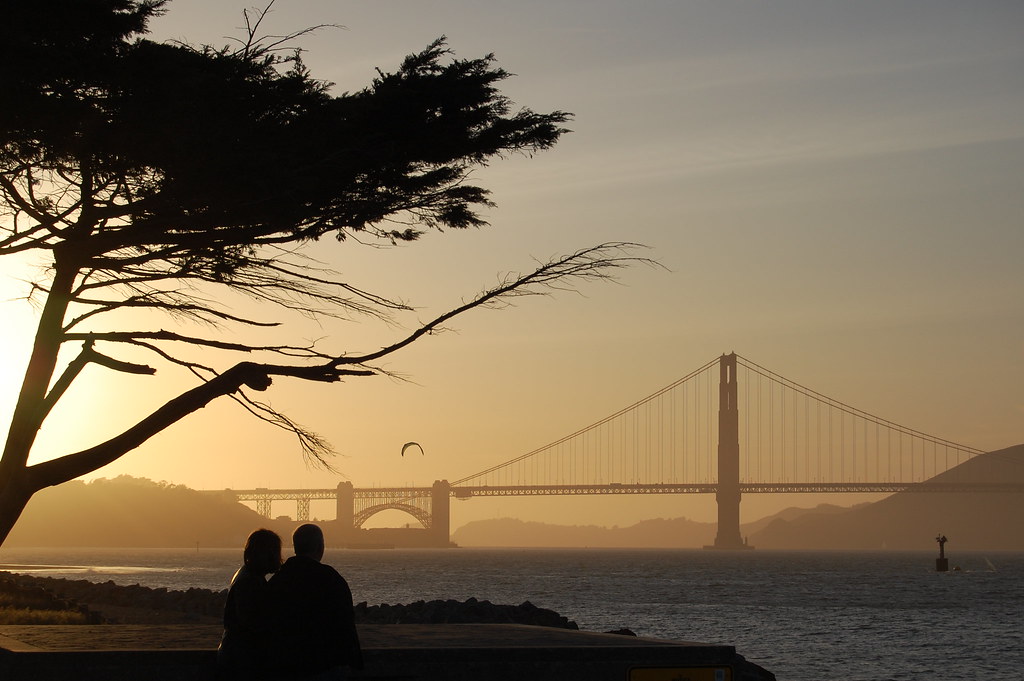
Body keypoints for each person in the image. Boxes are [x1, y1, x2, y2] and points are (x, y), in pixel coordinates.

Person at [267, 523, 363, 680]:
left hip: (286, 664)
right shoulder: (331, 579)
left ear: (295, 547)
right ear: (320, 546)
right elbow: (345, 622)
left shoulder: (278, 580)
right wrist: (354, 661)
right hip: (324, 665)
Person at [218, 528, 283, 680]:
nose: (279, 558)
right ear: (266, 554)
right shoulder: (250, 582)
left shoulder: (246, 575)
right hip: (242, 662)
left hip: (235, 657)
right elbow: (252, 624)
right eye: (276, 552)